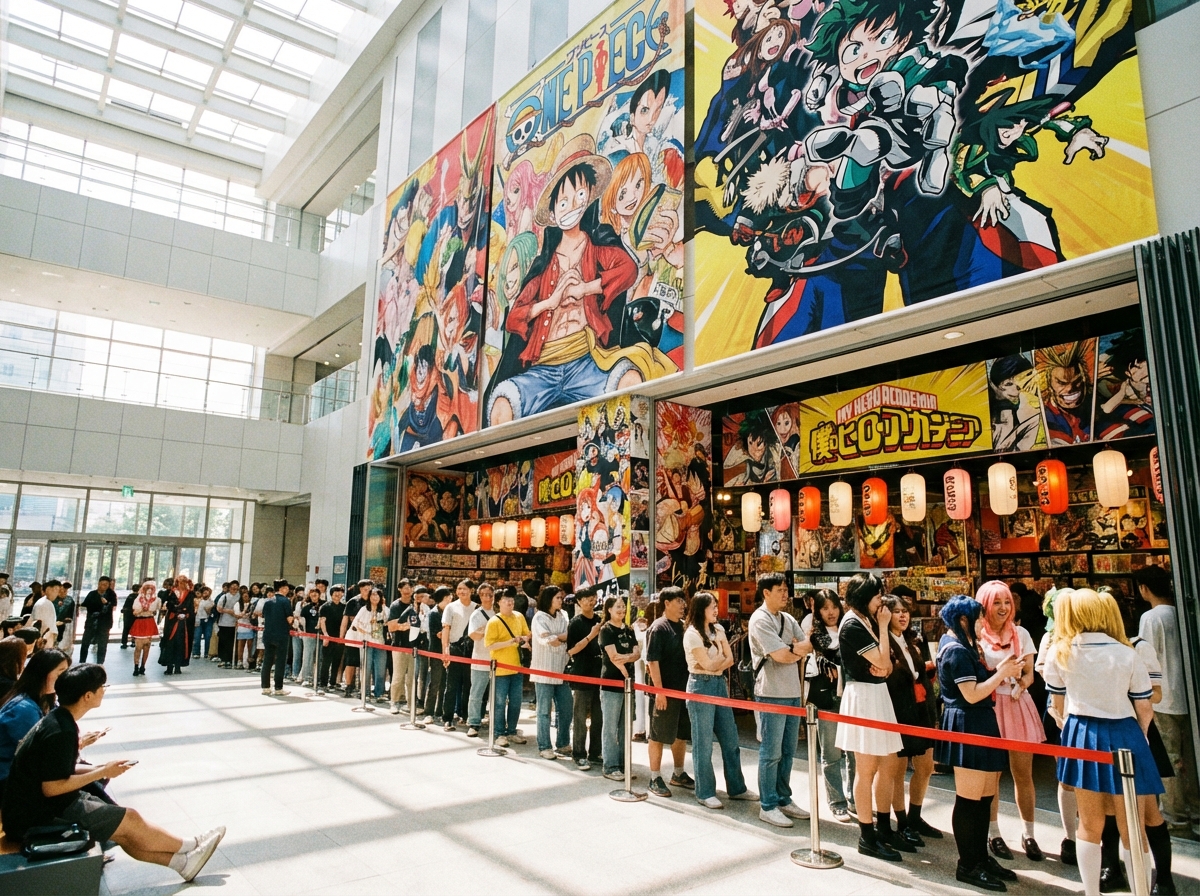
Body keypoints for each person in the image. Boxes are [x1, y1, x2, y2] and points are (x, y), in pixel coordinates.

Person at [1, 663, 225, 881]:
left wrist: (101, 768)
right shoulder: (62, 731)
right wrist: (100, 773)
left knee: (123, 831)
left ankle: (183, 864)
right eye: (102, 687)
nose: (104, 691)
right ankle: (191, 845)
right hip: (37, 814)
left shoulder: (58, 720)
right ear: (87, 696)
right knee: (130, 819)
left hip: (31, 807)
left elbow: (56, 769)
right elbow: (51, 787)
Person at [1044, 588, 1164, 896]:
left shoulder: (1061, 652)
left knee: (1089, 823)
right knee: (1132, 829)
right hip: (1126, 732)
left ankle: (1091, 892)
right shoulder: (1127, 653)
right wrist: (1142, 735)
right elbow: (1144, 705)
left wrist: (1064, 722)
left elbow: (1056, 705)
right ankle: (1140, 891)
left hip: (1082, 733)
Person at [937, 597, 1021, 892]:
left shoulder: (962, 646)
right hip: (968, 722)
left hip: (979, 721)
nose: (982, 624)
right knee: (970, 799)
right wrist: (1002, 673)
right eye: (976, 619)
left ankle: (980, 858)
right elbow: (971, 694)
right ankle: (967, 864)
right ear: (962, 620)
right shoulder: (955, 650)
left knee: (984, 797)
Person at [976, 580, 1045, 861]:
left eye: (1007, 602)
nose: (1003, 608)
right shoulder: (977, 636)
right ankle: (994, 833)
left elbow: (1030, 673)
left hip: (1017, 703)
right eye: (997, 602)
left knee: (1023, 774)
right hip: (990, 705)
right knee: (991, 777)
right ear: (984, 605)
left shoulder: (1023, 634)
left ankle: (1029, 833)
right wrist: (1000, 676)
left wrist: (1022, 683)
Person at [836, 574, 904, 859]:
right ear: (865, 596)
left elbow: (887, 665)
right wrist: (885, 630)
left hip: (876, 694)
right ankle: (866, 834)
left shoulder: (864, 620)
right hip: (863, 696)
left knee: (888, 763)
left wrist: (884, 662)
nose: (882, 601)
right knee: (866, 769)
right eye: (878, 595)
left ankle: (884, 828)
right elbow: (882, 661)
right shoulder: (853, 623)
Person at [1136, 565, 1198, 830]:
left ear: (1144, 588)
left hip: (1164, 697)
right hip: (1188, 695)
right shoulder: (1181, 612)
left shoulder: (1151, 619)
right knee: (1191, 755)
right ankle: (1195, 808)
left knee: (1170, 756)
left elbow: (1147, 660)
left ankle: (1174, 814)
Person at [748, 572, 810, 828]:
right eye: (780, 589)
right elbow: (781, 655)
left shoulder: (787, 618)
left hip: (793, 692)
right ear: (766, 593)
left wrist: (791, 650)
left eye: (786, 589)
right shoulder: (759, 620)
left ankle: (783, 797)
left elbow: (807, 644)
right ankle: (768, 804)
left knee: (788, 750)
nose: (785, 594)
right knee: (771, 751)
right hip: (770, 691)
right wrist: (793, 650)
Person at [684, 591, 755, 809]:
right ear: (700, 609)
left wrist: (719, 662)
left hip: (718, 685)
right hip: (700, 685)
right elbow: (708, 665)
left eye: (716, 606)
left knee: (730, 739)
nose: (716, 610)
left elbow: (730, 659)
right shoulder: (692, 634)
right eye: (712, 606)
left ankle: (737, 787)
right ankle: (705, 792)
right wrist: (719, 661)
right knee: (703, 743)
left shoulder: (720, 629)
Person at [882, 593, 940, 846]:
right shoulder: (883, 640)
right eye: (896, 611)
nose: (902, 615)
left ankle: (915, 815)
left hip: (921, 709)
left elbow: (923, 676)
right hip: (897, 710)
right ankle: (902, 821)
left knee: (926, 766)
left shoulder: (913, 639)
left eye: (905, 610)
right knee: (897, 770)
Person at [804, 590, 853, 821]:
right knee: (831, 754)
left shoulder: (849, 628)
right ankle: (837, 801)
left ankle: (854, 797)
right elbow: (833, 656)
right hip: (827, 697)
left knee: (854, 752)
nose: (831, 612)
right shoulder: (816, 635)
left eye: (834, 606)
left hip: (851, 697)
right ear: (818, 611)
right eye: (825, 608)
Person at [0, 648, 71, 802]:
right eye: (60, 673)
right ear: (42, 672)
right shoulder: (24, 709)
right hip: (7, 780)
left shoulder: (44, 701)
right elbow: (40, 757)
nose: (65, 678)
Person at [645, 587, 694, 797]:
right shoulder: (658, 628)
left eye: (684, 601)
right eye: (679, 601)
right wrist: (659, 691)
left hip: (683, 691)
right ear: (667, 603)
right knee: (658, 735)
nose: (683, 605)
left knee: (680, 735)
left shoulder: (684, 627)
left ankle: (678, 773)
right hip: (664, 691)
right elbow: (652, 661)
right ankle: (655, 776)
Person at [598, 594, 640, 780]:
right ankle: (610, 766)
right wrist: (625, 669)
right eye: (617, 607)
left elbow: (637, 652)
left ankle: (625, 764)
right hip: (612, 683)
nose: (621, 610)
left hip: (628, 684)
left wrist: (629, 658)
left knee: (626, 726)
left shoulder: (629, 630)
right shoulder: (606, 630)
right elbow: (614, 657)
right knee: (610, 726)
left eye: (623, 606)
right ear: (609, 609)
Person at [484, 589, 531, 747]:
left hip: (517, 667)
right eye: (506, 600)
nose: (510, 603)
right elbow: (489, 645)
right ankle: (499, 733)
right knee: (499, 702)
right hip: (500, 669)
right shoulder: (494, 621)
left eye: (511, 600)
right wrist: (510, 642)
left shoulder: (519, 616)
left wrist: (523, 639)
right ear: (498, 602)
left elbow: (527, 634)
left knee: (516, 701)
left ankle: (511, 731)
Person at [531, 585, 573, 760]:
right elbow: (549, 639)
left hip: (561, 668)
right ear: (549, 598)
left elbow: (568, 635)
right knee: (544, 711)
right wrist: (560, 637)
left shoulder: (563, 615)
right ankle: (544, 745)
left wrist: (560, 637)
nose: (561, 601)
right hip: (544, 670)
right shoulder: (539, 617)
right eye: (557, 597)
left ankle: (563, 743)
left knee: (566, 707)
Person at [566, 585, 604, 770]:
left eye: (593, 597)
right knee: (580, 716)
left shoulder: (600, 619)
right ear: (579, 602)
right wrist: (591, 636)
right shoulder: (575, 623)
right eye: (587, 598)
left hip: (600, 674)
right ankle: (579, 753)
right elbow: (571, 650)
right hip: (582, 673)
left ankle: (595, 752)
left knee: (599, 716)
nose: (591, 600)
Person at [441, 580, 477, 730]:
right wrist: (445, 650)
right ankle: (447, 718)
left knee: (469, 684)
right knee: (451, 685)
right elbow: (446, 629)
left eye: (465, 589)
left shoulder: (477, 608)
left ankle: (465, 715)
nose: (461, 592)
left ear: (471, 590)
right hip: (455, 648)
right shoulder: (451, 607)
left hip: (472, 650)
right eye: (459, 589)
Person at [464, 582, 496, 735]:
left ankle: (495, 721)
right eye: (483, 595)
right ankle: (473, 722)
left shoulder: (498, 613)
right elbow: (473, 635)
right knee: (476, 692)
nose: (486, 598)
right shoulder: (477, 614)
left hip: (497, 659)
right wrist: (488, 631)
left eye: (489, 595)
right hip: (480, 658)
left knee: (497, 694)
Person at [350, 587, 388, 703]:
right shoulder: (364, 609)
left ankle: (379, 692)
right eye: (372, 595)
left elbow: (388, 623)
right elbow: (355, 624)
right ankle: (364, 692)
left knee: (380, 668)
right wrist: (365, 631)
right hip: (366, 641)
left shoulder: (385, 609)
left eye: (377, 595)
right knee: (366, 667)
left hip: (380, 642)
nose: (375, 597)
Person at [388, 582, 420, 713]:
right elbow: (391, 626)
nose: (407, 590)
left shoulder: (416, 604)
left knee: (412, 677)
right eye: (405, 587)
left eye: (410, 587)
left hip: (414, 646)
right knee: (398, 676)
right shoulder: (395, 605)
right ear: (399, 589)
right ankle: (394, 702)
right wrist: (403, 627)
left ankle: (411, 704)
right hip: (400, 645)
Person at [259, 581, 295, 696]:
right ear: (283, 588)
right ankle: (278, 688)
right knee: (280, 661)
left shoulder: (268, 601)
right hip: (282, 635)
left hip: (268, 634)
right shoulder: (286, 601)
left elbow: (263, 615)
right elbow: (289, 619)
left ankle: (265, 687)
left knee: (267, 660)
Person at [421, 587, 451, 720]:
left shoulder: (450, 612)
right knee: (435, 681)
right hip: (436, 651)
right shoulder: (434, 614)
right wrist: (447, 634)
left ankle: (440, 711)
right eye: (449, 598)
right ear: (443, 599)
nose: (451, 600)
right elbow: (437, 634)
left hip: (448, 651)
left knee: (445, 682)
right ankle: (429, 711)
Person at [158, 577, 194, 676]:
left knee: (181, 643)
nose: (182, 584)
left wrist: (185, 614)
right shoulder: (171, 592)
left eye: (184, 582)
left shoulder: (189, 593)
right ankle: (169, 666)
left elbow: (190, 607)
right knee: (170, 643)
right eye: (180, 582)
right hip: (172, 621)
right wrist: (176, 611)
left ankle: (178, 666)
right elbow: (167, 603)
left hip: (184, 623)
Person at [341, 581, 371, 697]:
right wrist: (341, 637)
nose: (367, 591)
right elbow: (345, 620)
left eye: (369, 589)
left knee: (364, 662)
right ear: (360, 589)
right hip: (353, 635)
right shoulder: (353, 602)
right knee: (351, 661)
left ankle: (363, 688)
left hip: (368, 635)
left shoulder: (373, 599)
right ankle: (348, 686)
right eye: (365, 589)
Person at [78, 577, 118, 664]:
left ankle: (100, 663)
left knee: (102, 645)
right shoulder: (92, 594)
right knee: (85, 643)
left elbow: (114, 604)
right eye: (102, 584)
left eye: (106, 585)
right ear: (98, 584)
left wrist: (107, 603)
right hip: (91, 623)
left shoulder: (111, 594)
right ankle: (82, 662)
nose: (103, 586)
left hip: (104, 624)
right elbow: (85, 604)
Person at [128, 581, 161, 677]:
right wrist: (143, 609)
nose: (149, 590)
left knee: (147, 646)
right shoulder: (139, 599)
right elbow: (134, 612)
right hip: (140, 622)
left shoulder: (156, 599)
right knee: (138, 647)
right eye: (147, 588)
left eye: (152, 588)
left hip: (149, 622)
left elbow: (158, 610)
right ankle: (136, 666)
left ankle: (143, 666)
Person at [317, 585, 347, 690]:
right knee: (326, 661)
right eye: (335, 592)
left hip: (340, 637)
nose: (338, 594)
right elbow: (322, 621)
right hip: (328, 637)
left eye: (340, 592)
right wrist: (325, 635)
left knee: (337, 661)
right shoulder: (325, 606)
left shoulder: (344, 607)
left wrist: (342, 637)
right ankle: (323, 683)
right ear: (331, 594)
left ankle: (333, 682)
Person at [294, 588, 321, 686]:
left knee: (319, 657)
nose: (314, 596)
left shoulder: (323, 606)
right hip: (308, 634)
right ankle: (306, 677)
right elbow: (301, 621)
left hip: (320, 635)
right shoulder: (305, 608)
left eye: (316, 594)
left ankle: (317, 677)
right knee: (307, 656)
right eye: (312, 594)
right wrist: (302, 632)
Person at [30, 579, 61, 647]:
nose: (57, 594)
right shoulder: (45, 603)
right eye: (55, 590)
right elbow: (45, 626)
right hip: (45, 639)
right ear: (48, 589)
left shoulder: (44, 602)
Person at [234, 586, 257, 670]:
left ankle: (248, 661)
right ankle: (239, 661)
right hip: (241, 627)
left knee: (250, 645)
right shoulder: (238, 604)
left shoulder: (252, 605)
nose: (245, 598)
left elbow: (253, 615)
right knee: (241, 645)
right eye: (244, 596)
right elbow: (237, 615)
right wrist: (243, 613)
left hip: (250, 627)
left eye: (247, 596)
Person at [192, 586, 215, 662]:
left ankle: (207, 652)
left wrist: (209, 611)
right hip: (199, 619)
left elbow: (212, 612)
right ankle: (196, 652)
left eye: (207, 592)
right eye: (204, 592)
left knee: (208, 636)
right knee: (197, 637)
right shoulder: (198, 601)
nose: (206, 594)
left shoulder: (212, 602)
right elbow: (195, 611)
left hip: (208, 620)